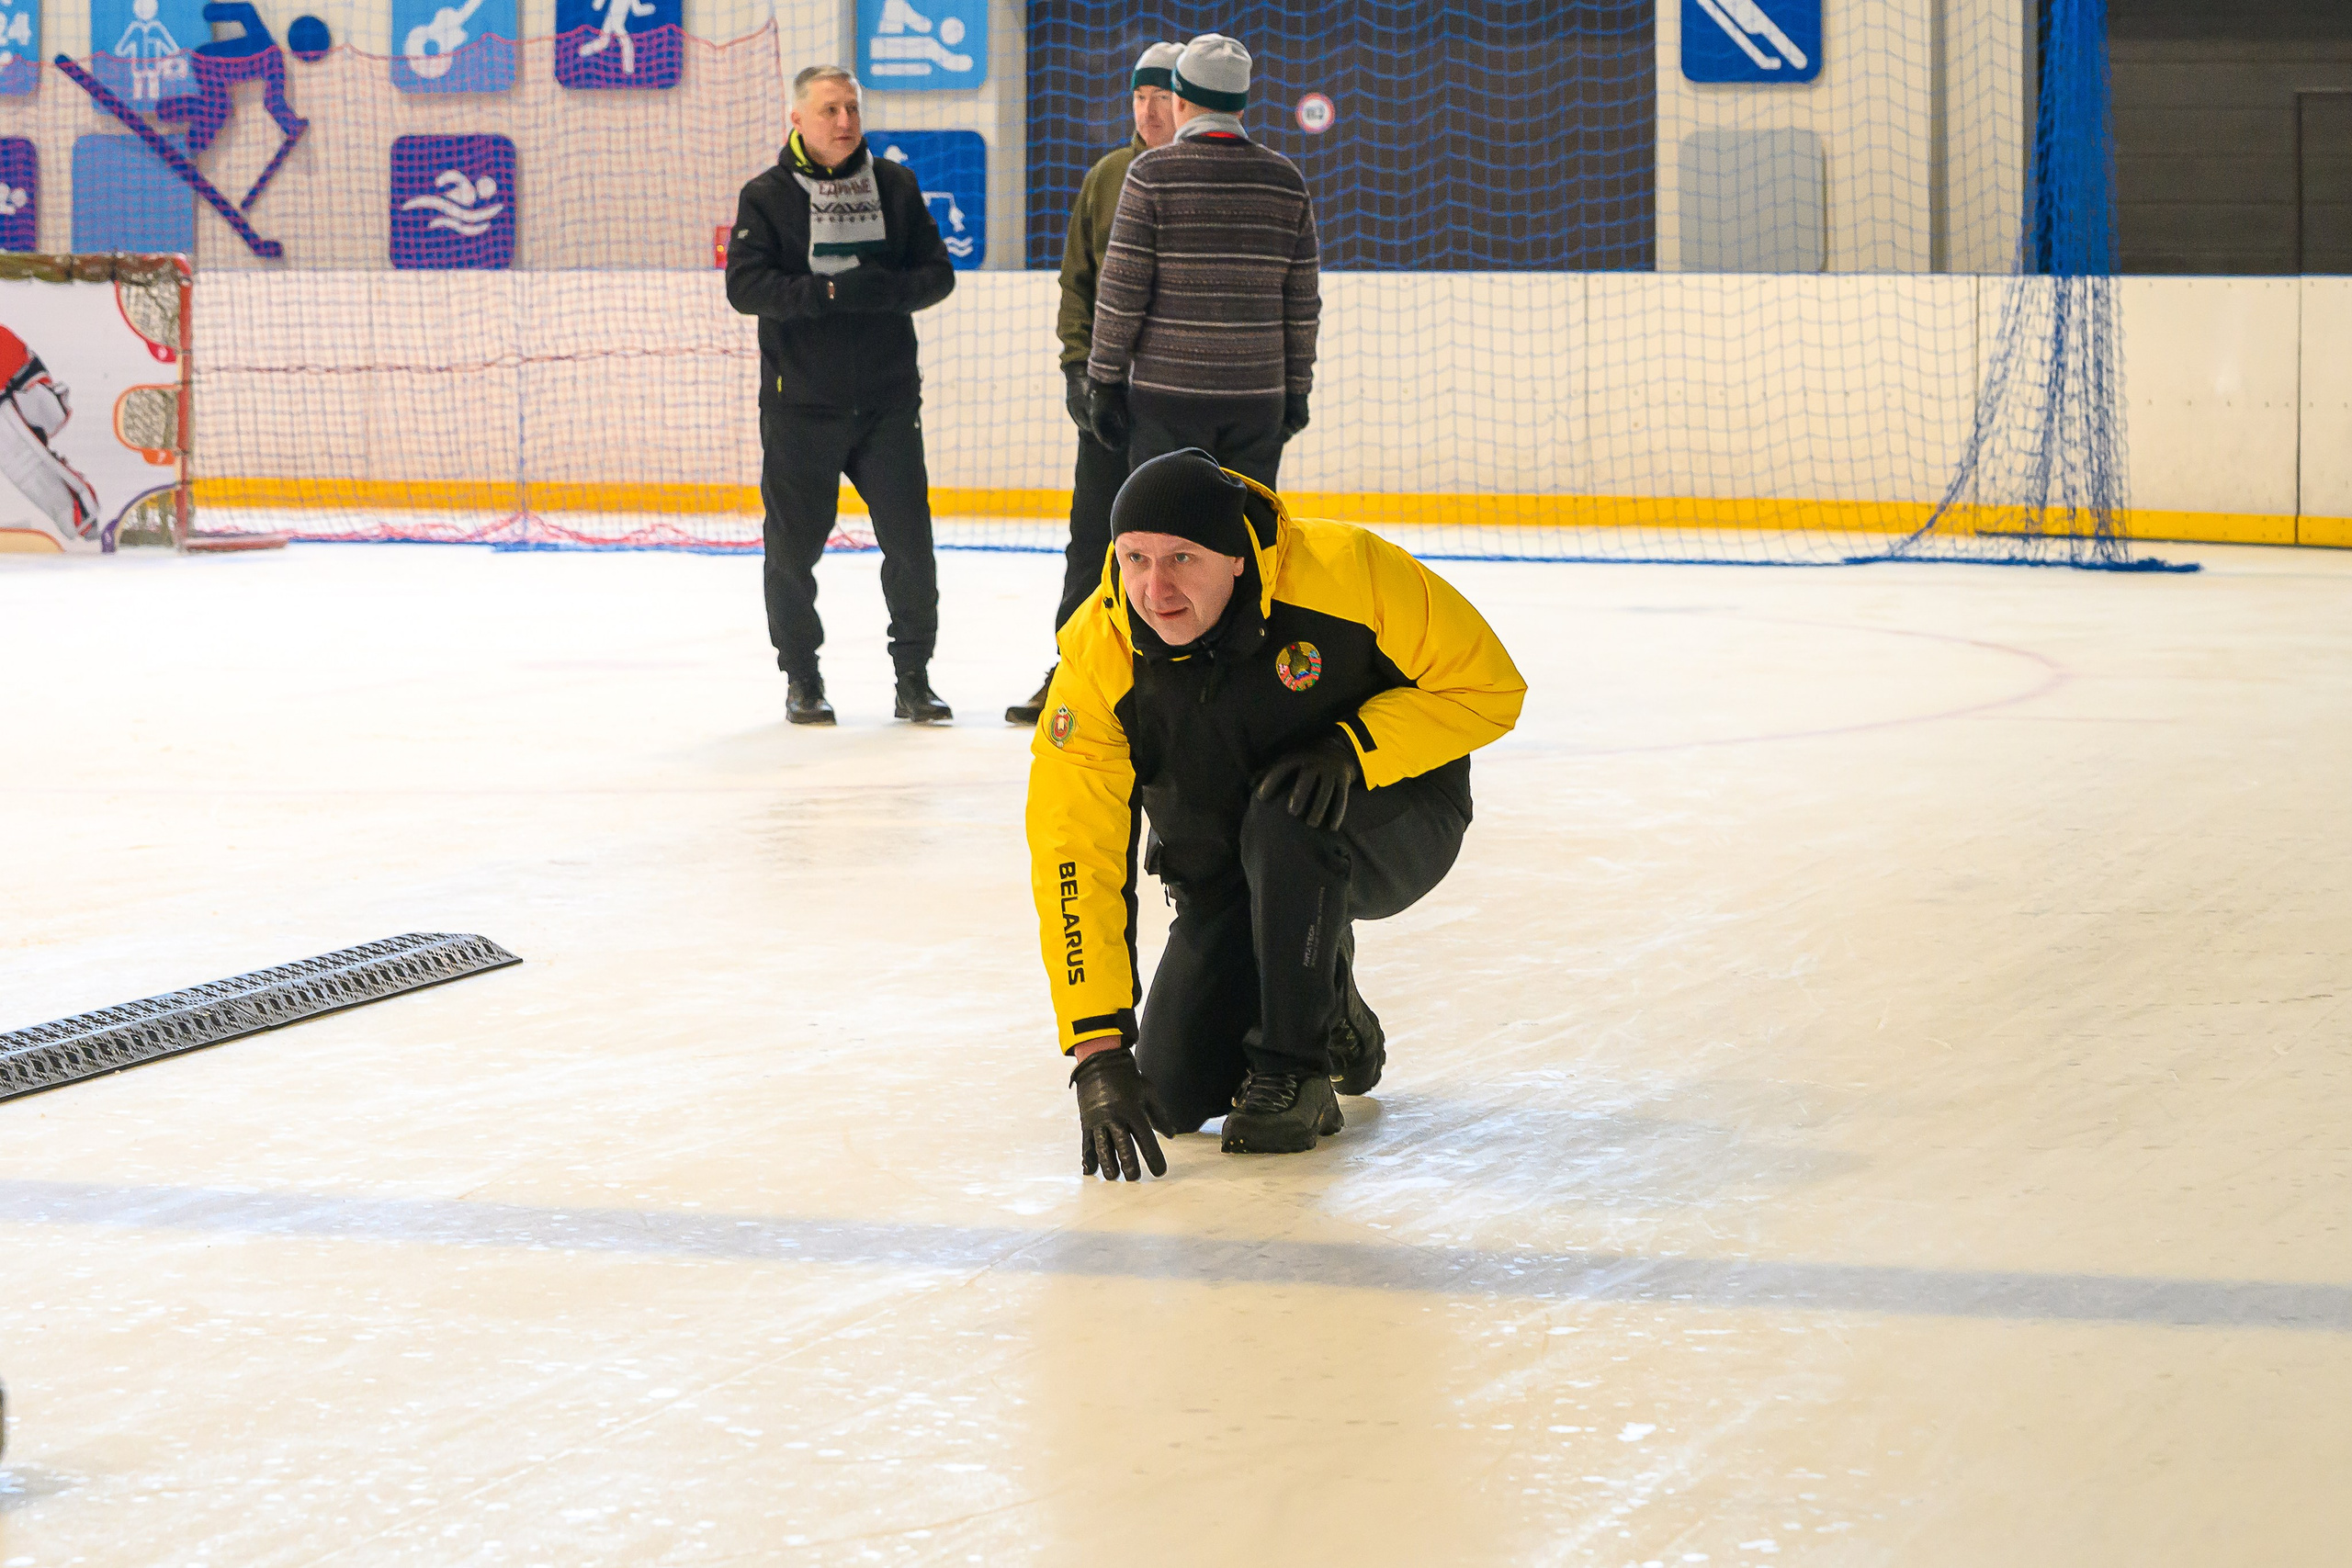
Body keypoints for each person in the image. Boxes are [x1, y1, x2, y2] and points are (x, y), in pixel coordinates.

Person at [1026, 451, 1526, 1179]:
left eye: (1180, 559)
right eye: (1133, 558)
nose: (1153, 588)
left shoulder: (1348, 572)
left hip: (1393, 816)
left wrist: (1356, 747)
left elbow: (1487, 686)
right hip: (1234, 866)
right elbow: (1074, 846)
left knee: (1283, 812)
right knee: (1169, 1091)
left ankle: (1300, 1068)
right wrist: (1098, 1050)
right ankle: (1327, 992)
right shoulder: (1100, 657)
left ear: (1235, 558)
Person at [725, 63, 956, 726]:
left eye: (851, 108)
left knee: (911, 546)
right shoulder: (767, 195)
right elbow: (745, 288)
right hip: (800, 405)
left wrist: (890, 291)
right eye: (830, 110)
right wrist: (824, 294)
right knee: (792, 553)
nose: (845, 122)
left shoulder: (895, 185)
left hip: (887, 404)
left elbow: (937, 274)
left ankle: (914, 676)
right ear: (797, 119)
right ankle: (802, 677)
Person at [1005, 40, 1182, 729]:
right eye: (1139, 96)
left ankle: (1177, 678)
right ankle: (1073, 670)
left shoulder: (1206, 175)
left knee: (1183, 539)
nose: (1148, 110)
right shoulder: (1108, 175)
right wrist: (1079, 369)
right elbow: (1078, 282)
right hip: (1111, 399)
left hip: (1182, 401)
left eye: (1162, 95)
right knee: (1092, 539)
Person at [1082, 34, 1319, 494]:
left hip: (1166, 401)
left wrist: (1104, 382)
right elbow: (1302, 304)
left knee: (1167, 535)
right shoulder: (1286, 181)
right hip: (1257, 399)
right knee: (1246, 539)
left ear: (1182, 100)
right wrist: (1297, 388)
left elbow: (1121, 293)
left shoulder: (1151, 176)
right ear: (1240, 106)